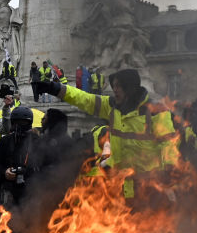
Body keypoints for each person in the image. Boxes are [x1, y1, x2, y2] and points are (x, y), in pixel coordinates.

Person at [35, 68, 179, 203]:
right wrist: (54, 88)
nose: (114, 90)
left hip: (149, 186)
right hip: (119, 184)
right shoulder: (111, 106)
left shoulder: (156, 111)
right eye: (114, 86)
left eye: (118, 86)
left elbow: (168, 144)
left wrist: (169, 173)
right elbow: (84, 99)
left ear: (130, 88)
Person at [0, 106, 44, 206]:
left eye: (23, 122)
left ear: (29, 123)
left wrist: (26, 172)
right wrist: (5, 172)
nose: (19, 125)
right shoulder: (6, 140)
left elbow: (42, 168)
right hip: (9, 190)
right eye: (16, 122)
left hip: (31, 191)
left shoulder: (37, 141)